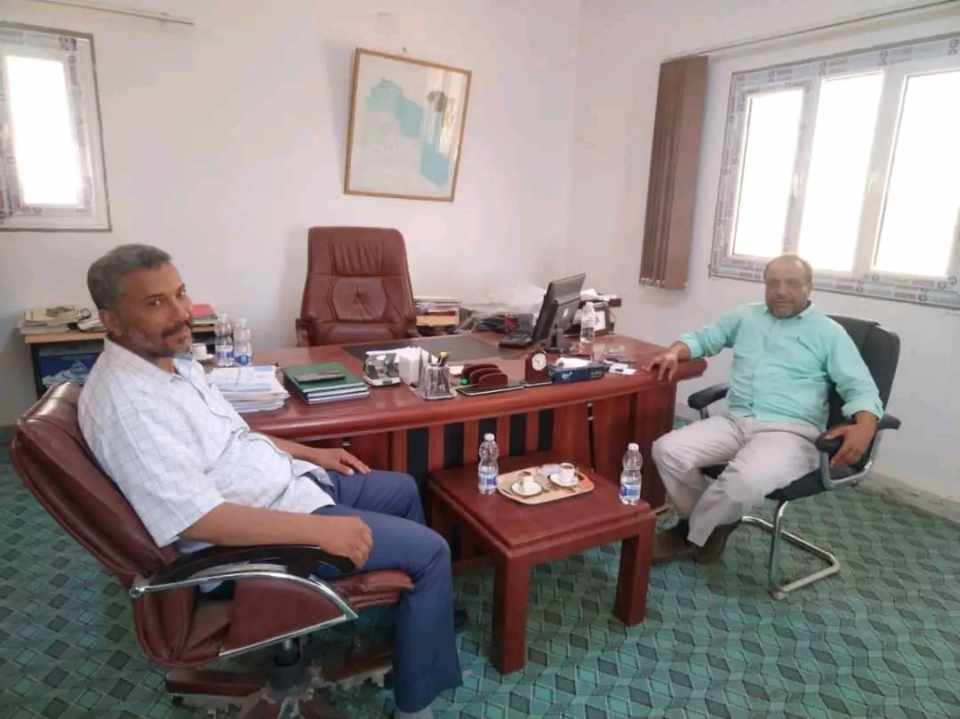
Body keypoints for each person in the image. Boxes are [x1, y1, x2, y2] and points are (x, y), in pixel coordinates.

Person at [77, 244, 460, 719]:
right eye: (155, 303)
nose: (180, 313)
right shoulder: (129, 406)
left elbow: (234, 436)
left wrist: (311, 453)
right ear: (111, 320)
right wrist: (320, 531)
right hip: (260, 538)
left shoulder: (171, 364)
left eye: (180, 294)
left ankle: (398, 627)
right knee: (431, 553)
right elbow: (198, 520)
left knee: (401, 489)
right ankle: (416, 704)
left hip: (284, 484)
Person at [644, 254, 883, 565]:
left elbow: (860, 387)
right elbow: (705, 339)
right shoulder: (746, 317)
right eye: (773, 283)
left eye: (792, 283)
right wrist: (675, 352)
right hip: (736, 421)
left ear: (809, 287)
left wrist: (866, 425)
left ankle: (691, 534)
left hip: (791, 433)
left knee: (743, 481)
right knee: (667, 450)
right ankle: (711, 524)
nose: (781, 291)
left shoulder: (829, 333)